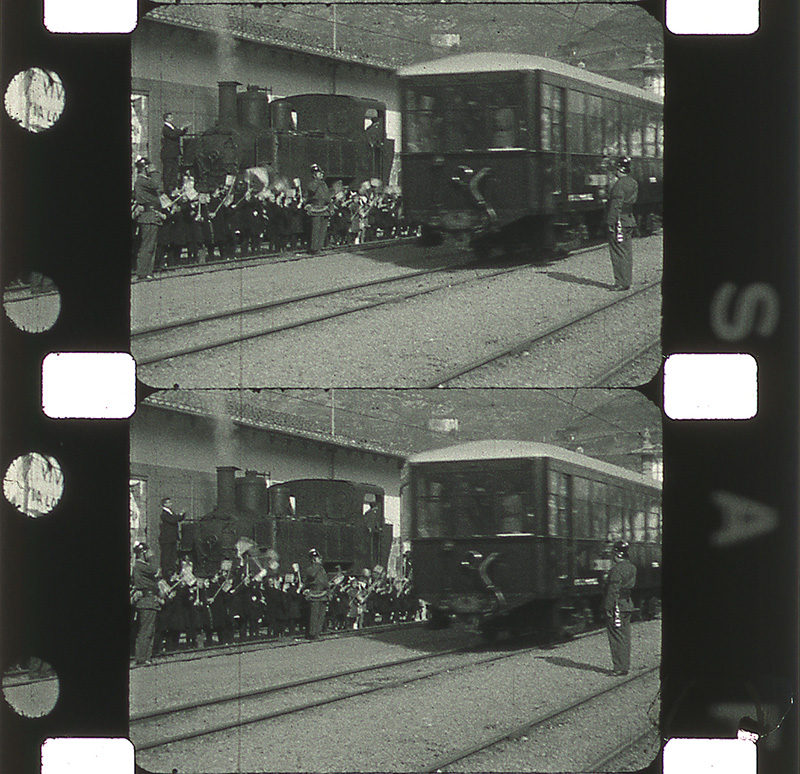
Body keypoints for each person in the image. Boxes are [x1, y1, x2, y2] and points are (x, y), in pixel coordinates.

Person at [605, 156, 638, 291]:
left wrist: (610, 222)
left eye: (616, 169)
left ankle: (621, 282)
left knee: (618, 252)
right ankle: (627, 280)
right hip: (629, 219)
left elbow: (616, 205)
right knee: (626, 251)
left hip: (619, 221)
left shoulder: (619, 185)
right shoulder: (633, 182)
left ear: (619, 169)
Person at [604, 539, 637, 675]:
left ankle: (619, 667)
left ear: (617, 554)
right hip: (628, 604)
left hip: (617, 605)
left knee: (616, 636)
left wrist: (608, 607)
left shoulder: (616, 570)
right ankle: (625, 665)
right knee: (625, 636)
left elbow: (613, 591)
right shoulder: (632, 567)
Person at [133, 157, 163, 280]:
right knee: (147, 245)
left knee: (151, 245)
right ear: (145, 168)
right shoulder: (141, 181)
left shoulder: (142, 181)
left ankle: (147, 272)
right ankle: (143, 272)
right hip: (148, 215)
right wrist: (154, 171)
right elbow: (156, 184)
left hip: (151, 215)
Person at [131, 542, 160, 665]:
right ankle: (142, 658)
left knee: (149, 630)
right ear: (143, 553)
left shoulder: (139, 566)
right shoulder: (140, 565)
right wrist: (152, 556)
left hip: (148, 600)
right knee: (146, 630)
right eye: (147, 552)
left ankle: (145, 657)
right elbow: (154, 569)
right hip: (147, 601)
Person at [305, 164, 331, 253]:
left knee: (323, 230)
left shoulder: (324, 184)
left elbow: (327, 196)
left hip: (324, 208)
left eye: (321, 174)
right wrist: (317, 182)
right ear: (314, 175)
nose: (321, 175)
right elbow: (311, 191)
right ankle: (314, 248)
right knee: (315, 229)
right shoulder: (312, 183)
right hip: (315, 208)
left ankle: (319, 247)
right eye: (319, 173)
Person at [303, 548, 329, 639]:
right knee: (314, 615)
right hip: (315, 594)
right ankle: (312, 633)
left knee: (321, 616)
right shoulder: (311, 569)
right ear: (313, 559)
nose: (320, 559)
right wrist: (317, 565)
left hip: (323, 594)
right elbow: (312, 575)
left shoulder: (322, 569)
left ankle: (318, 632)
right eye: (318, 558)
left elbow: (325, 581)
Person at [161, 112, 189, 192]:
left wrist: (184, 129)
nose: (172, 119)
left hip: (174, 153)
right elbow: (173, 135)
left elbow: (179, 133)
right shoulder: (165, 128)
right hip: (168, 154)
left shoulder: (172, 126)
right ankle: (168, 189)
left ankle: (173, 188)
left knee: (174, 172)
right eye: (170, 118)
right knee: (168, 172)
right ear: (166, 119)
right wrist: (181, 129)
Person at [158, 497, 186, 577]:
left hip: (172, 539)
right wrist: (180, 515)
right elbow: (173, 520)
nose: (171, 504)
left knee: (172, 556)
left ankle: (172, 571)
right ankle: (166, 573)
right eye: (169, 502)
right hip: (167, 539)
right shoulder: (164, 514)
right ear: (165, 504)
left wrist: (182, 515)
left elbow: (177, 519)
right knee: (167, 556)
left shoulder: (170, 512)